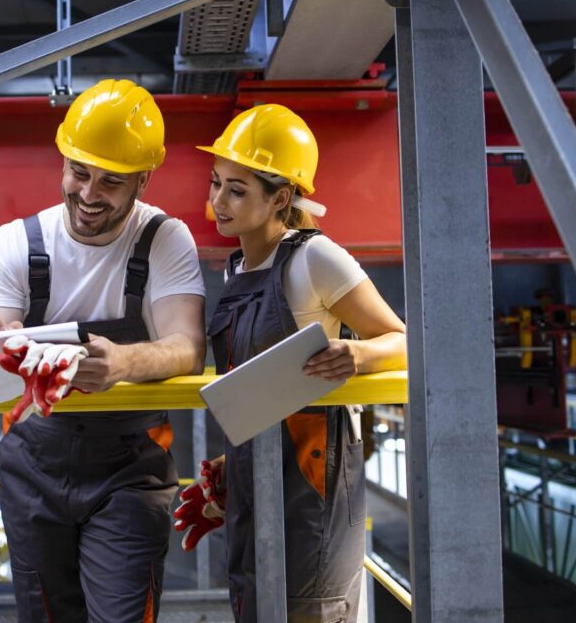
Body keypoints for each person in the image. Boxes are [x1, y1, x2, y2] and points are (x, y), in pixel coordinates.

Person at [0, 79, 207, 622]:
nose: (89, 194)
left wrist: (122, 363)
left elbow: (188, 347)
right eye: (79, 172)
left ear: (144, 179)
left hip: (129, 467)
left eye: (112, 182)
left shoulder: (164, 240)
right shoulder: (16, 244)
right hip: (34, 463)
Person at [174, 104, 407, 622]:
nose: (218, 201)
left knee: (307, 610)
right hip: (256, 486)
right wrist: (232, 470)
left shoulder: (316, 259)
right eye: (216, 183)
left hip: (313, 494)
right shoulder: (237, 269)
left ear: (280, 197)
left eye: (236, 189)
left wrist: (359, 354)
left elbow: (406, 342)